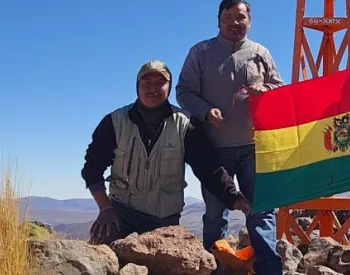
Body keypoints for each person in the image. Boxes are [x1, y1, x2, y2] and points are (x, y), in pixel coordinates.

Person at [175, 0, 291, 275]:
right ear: (218, 22)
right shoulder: (200, 52)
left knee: (262, 211)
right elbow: (183, 91)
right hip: (214, 149)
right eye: (228, 18)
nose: (234, 23)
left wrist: (264, 89)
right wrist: (205, 112)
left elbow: (279, 88)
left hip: (254, 146)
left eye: (240, 17)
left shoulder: (260, 53)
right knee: (215, 214)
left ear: (249, 21)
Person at [81, 60, 251, 245]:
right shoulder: (114, 122)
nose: (152, 88)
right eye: (146, 82)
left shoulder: (186, 124)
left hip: (163, 221)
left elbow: (208, 168)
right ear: (137, 87)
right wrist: (105, 209)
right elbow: (92, 168)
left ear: (169, 88)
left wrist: (233, 197)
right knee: (98, 255)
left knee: (170, 262)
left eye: (160, 82)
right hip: (120, 215)